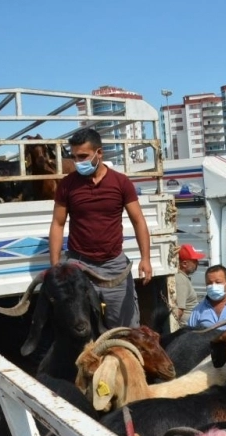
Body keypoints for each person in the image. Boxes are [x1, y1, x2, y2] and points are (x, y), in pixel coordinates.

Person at [49, 128, 152, 330]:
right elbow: (57, 224)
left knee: (125, 330)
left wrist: (145, 259)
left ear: (99, 153)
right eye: (74, 157)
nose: (78, 162)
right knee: (79, 328)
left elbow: (138, 220)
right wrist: (55, 267)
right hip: (79, 265)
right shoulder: (67, 185)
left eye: (83, 156)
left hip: (114, 266)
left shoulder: (121, 182)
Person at [174, 244, 204, 327]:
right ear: (184, 264)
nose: (197, 263)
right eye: (194, 261)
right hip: (187, 328)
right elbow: (178, 311)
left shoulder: (183, 277)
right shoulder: (181, 280)